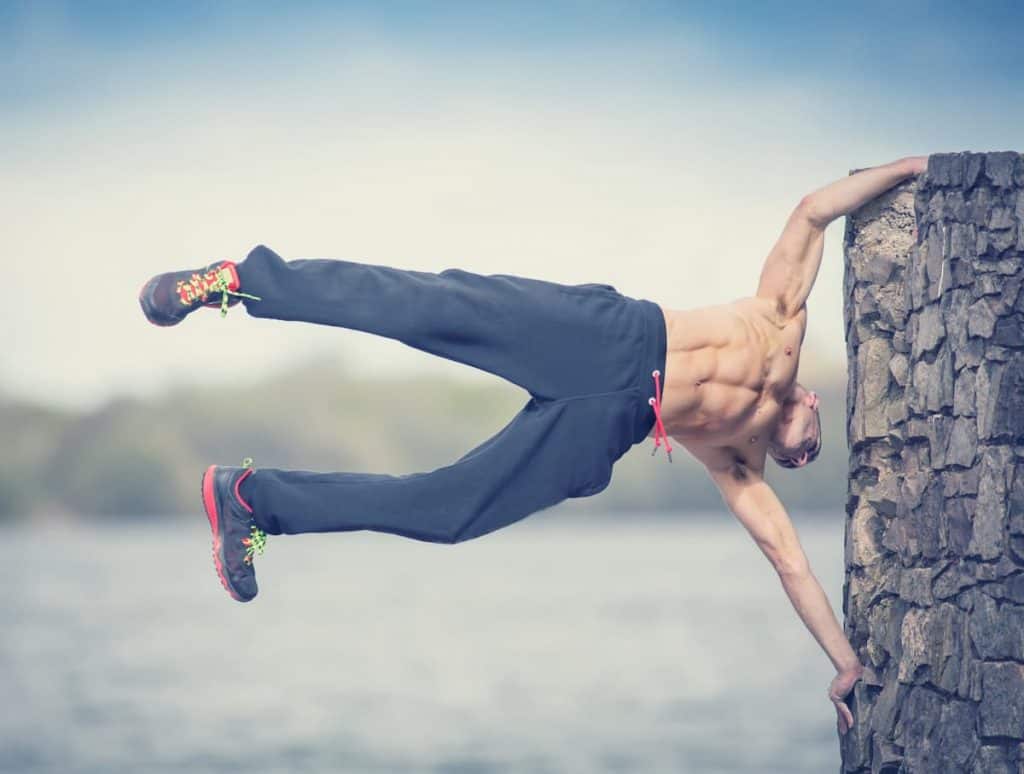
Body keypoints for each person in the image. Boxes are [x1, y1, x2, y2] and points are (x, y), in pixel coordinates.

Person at [139, 154, 928, 734]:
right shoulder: (781, 322)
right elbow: (814, 210)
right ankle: (235, 282)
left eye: (800, 465)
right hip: (609, 333)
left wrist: (843, 661)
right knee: (423, 305)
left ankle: (251, 502)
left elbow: (790, 561)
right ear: (814, 404)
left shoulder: (734, 461)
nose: (798, 458)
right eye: (811, 447)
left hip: (608, 429)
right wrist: (909, 169)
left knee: (451, 513)